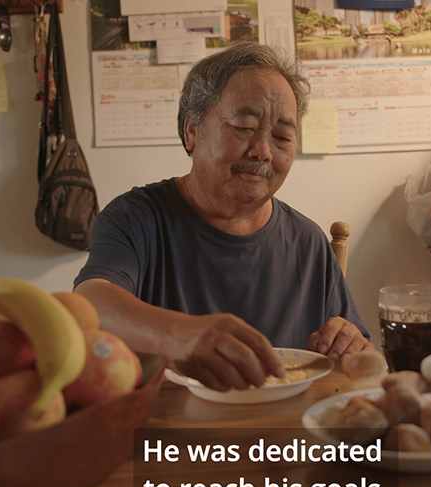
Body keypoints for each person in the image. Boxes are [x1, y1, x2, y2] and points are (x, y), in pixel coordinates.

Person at [74, 43, 373, 391]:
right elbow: (90, 304)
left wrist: (349, 344)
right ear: (192, 131)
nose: (263, 152)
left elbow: (361, 358)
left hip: (283, 424)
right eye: (244, 127)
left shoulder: (307, 241)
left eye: (282, 137)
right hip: (172, 422)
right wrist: (181, 335)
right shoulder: (136, 219)